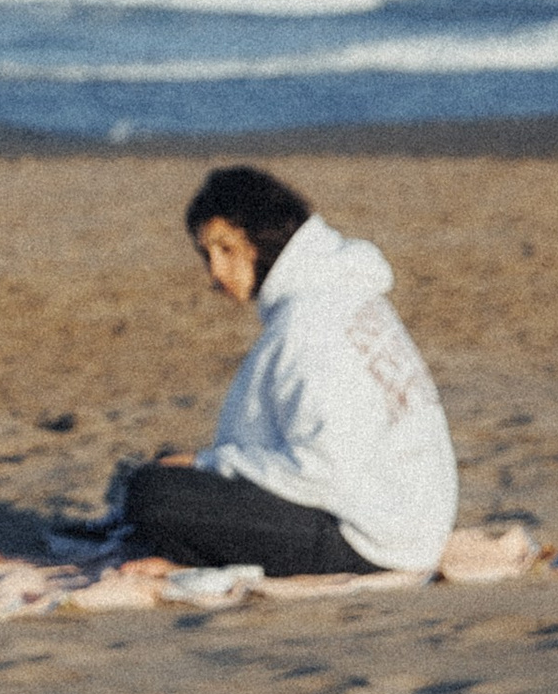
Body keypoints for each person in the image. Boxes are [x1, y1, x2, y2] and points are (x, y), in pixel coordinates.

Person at [121, 165, 459, 578]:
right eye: (207, 255)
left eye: (226, 250)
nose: (215, 272)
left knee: (152, 495)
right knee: (171, 473)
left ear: (263, 240)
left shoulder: (309, 324)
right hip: (408, 519)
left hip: (373, 538)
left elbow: (324, 471)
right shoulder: (340, 291)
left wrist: (208, 463)